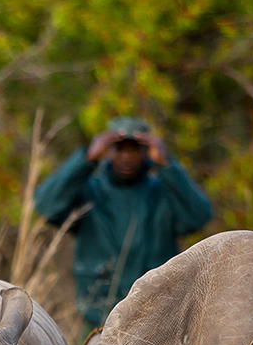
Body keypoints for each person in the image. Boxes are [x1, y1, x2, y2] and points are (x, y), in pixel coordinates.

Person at [34, 117, 212, 333]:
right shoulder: (90, 192)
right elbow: (45, 206)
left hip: (156, 317)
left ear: (146, 152)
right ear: (108, 151)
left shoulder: (163, 193)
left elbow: (199, 217)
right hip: (98, 318)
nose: (127, 157)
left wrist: (167, 166)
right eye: (119, 148)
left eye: (135, 150)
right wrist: (86, 159)